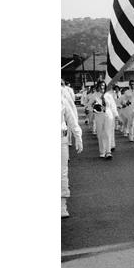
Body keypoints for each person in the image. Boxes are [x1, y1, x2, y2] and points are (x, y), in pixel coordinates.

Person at [61, 85, 83, 218]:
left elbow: (71, 118)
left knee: (62, 173)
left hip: (60, 139)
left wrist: (78, 136)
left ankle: (62, 205)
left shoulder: (61, 99)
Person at [92, 81, 117, 159]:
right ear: (98, 86)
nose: (102, 87)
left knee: (108, 133)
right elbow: (88, 106)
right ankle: (102, 151)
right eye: (100, 85)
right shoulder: (94, 95)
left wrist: (116, 116)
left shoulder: (109, 95)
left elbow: (113, 106)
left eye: (103, 85)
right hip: (99, 116)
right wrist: (94, 109)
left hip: (108, 115)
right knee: (100, 133)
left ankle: (108, 151)